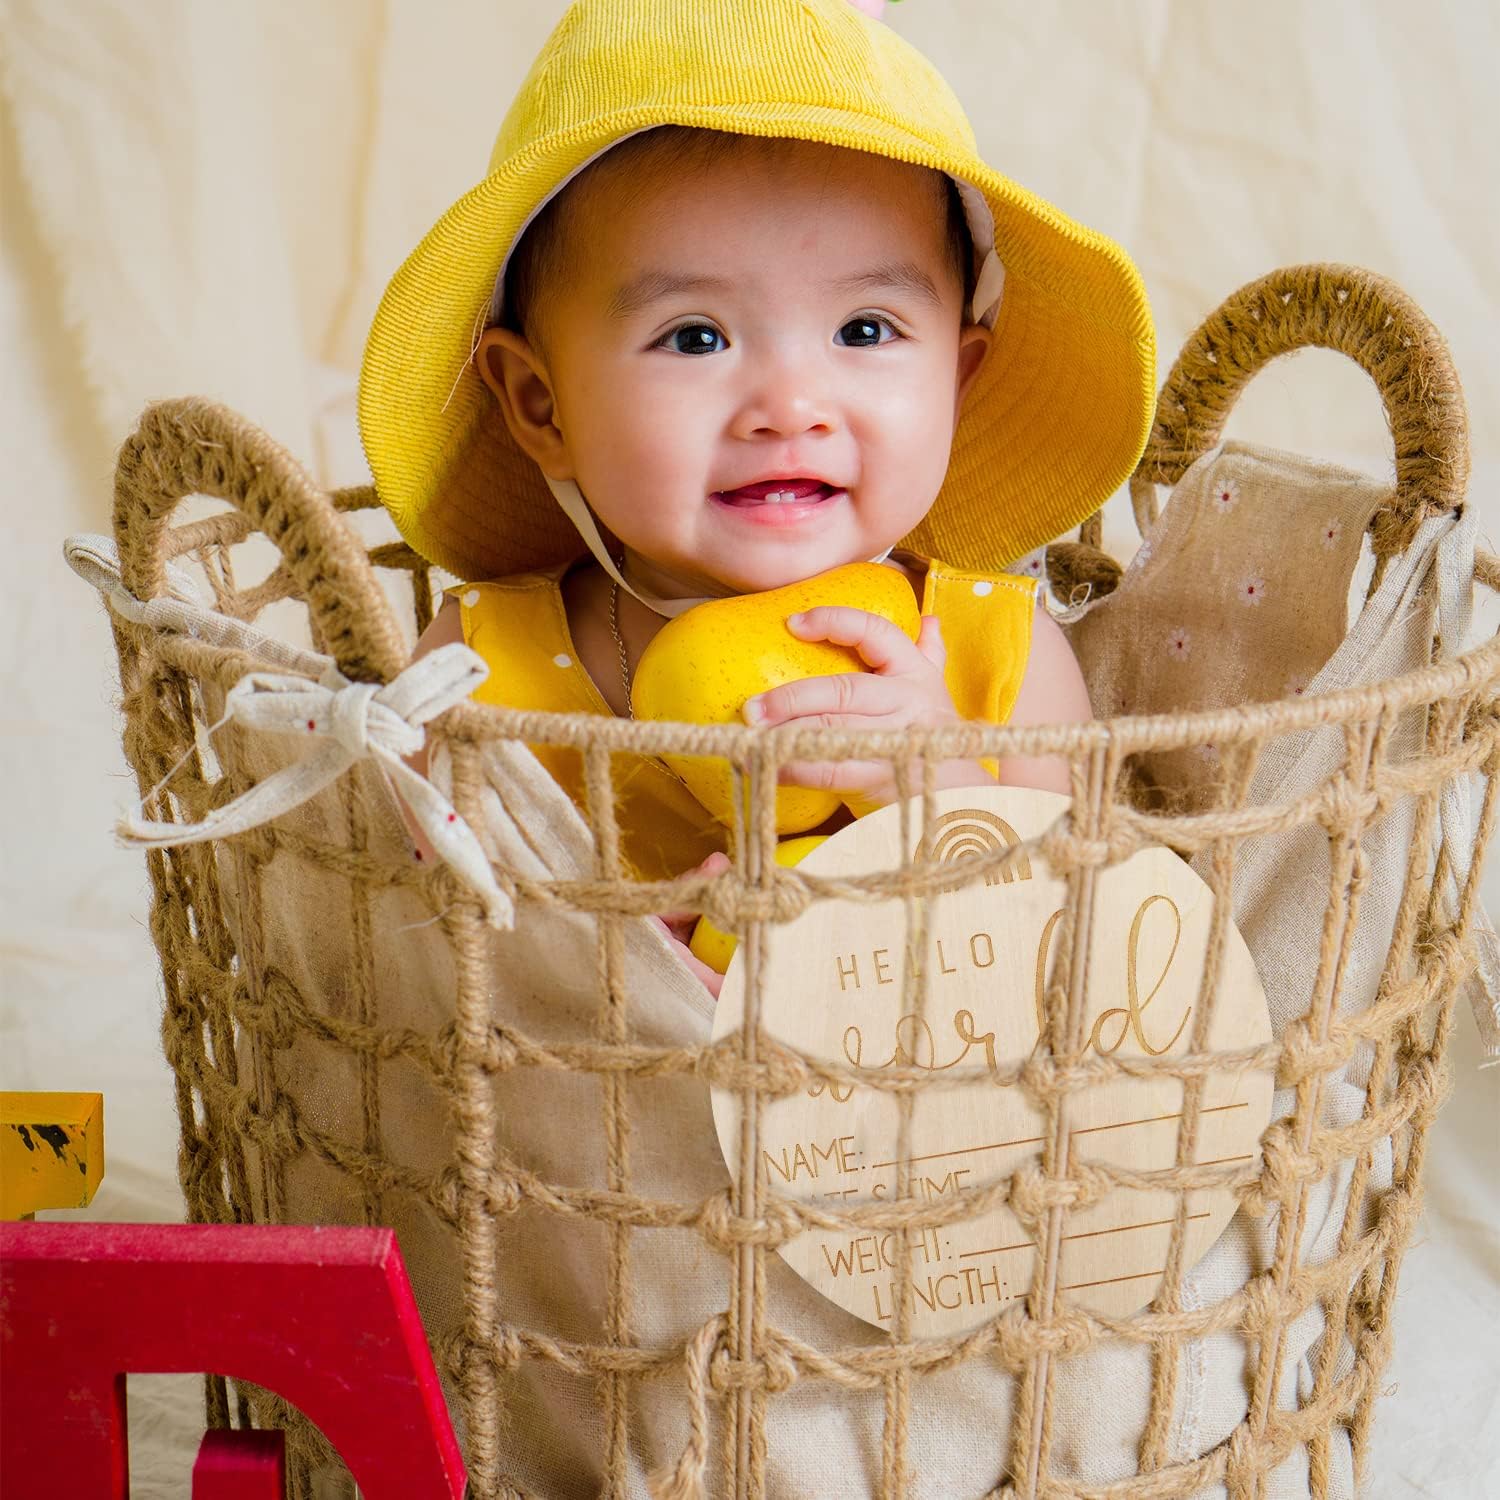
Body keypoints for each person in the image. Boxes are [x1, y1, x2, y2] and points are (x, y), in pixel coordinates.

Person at [359, 0, 1155, 986]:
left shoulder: (996, 655)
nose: (790, 406)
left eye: (865, 330)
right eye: (696, 336)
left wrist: (936, 787)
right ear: (541, 404)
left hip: (919, 1134)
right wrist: (604, 972)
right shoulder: (482, 672)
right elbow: (393, 961)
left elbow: (1095, 961)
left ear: (958, 373)